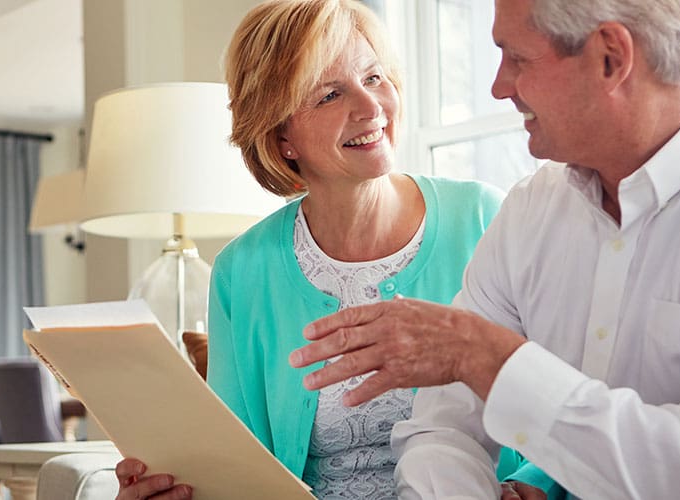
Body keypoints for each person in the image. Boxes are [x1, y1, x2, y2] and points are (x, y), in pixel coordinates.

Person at [291, 0, 680, 498]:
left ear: (612, 57)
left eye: (518, 57)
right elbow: (443, 427)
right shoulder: (533, 210)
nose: (498, 85)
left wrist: (485, 356)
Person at [114, 1, 563, 499]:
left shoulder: (482, 217)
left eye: (374, 78)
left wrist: (533, 486)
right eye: (330, 94)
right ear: (282, 136)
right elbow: (236, 467)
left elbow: (561, 391)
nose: (370, 108)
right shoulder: (242, 271)